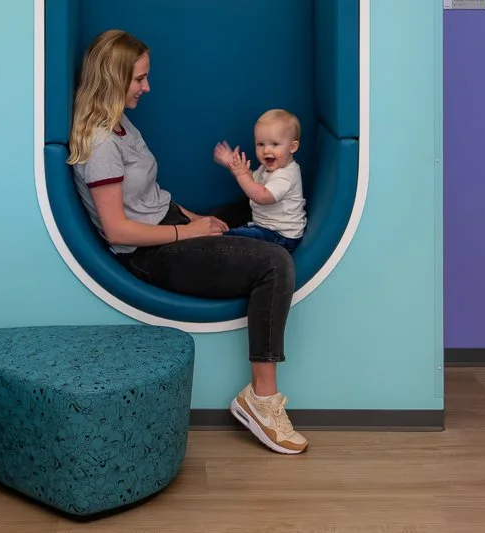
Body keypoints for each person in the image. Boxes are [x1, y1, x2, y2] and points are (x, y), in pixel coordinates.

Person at [68, 29, 308, 454]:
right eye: (139, 79)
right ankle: (262, 399)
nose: (147, 87)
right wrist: (189, 231)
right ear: (113, 78)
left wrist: (193, 217)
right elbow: (117, 230)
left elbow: (147, 197)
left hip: (170, 224)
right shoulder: (102, 143)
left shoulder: (120, 123)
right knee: (274, 263)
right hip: (150, 253)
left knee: (252, 206)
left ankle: (262, 397)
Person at [212, 109, 305, 251]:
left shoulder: (287, 175)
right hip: (264, 227)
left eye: (274, 144)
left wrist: (241, 174)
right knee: (233, 224)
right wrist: (234, 165)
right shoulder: (267, 168)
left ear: (293, 147)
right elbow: (252, 180)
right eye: (260, 144)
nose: (266, 150)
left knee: (230, 238)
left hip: (281, 236)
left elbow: (262, 196)